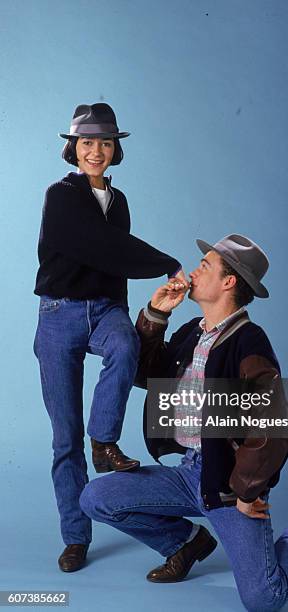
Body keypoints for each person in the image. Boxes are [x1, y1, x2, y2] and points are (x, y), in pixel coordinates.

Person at [80, 234, 288, 611]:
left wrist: (247, 491)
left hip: (227, 485)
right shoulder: (191, 332)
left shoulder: (250, 342)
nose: (195, 269)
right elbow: (147, 375)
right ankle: (186, 544)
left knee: (263, 599)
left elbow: (275, 422)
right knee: (95, 499)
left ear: (229, 282)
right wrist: (156, 316)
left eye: (206, 265)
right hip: (188, 474)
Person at [33, 103, 185, 573]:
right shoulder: (60, 195)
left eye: (104, 142)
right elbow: (100, 247)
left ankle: (105, 443)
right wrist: (164, 260)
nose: (96, 151)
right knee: (64, 437)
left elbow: (114, 261)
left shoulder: (119, 203)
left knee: (125, 345)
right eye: (87, 143)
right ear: (73, 149)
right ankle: (76, 536)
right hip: (59, 314)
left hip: (106, 310)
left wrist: (152, 269)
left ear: (115, 149)